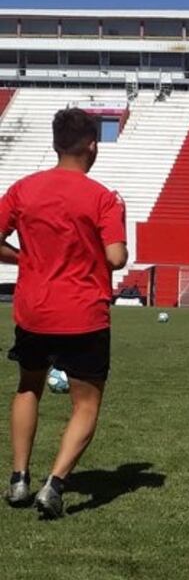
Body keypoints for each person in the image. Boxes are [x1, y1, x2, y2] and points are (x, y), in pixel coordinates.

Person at [0, 108, 128, 518]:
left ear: (56, 144)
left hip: (34, 310)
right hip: (84, 314)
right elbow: (117, 257)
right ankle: (54, 484)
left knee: (28, 387)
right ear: (92, 145)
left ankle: (19, 478)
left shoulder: (23, 190)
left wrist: (25, 259)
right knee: (85, 405)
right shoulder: (102, 197)